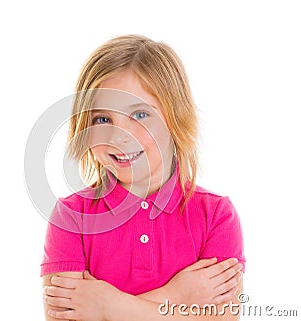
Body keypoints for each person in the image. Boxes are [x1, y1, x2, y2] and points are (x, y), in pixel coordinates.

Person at [40, 34, 245, 320]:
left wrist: (106, 309)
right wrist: (178, 297)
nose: (119, 137)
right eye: (102, 120)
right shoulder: (71, 216)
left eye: (139, 115)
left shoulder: (216, 215)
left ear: (176, 118)